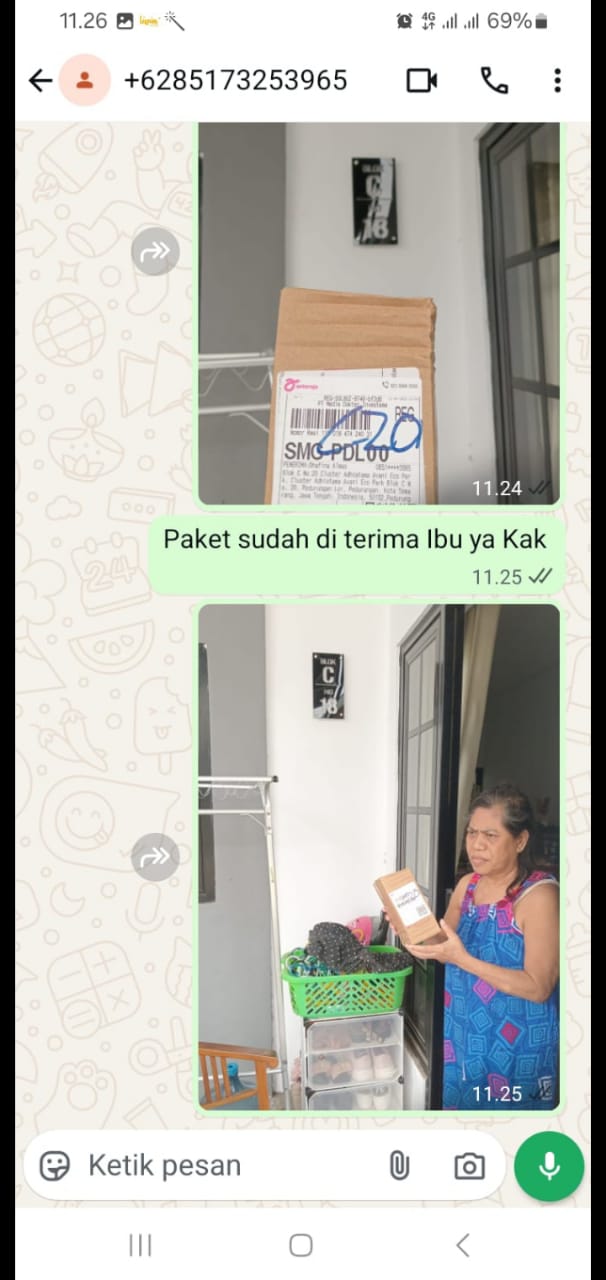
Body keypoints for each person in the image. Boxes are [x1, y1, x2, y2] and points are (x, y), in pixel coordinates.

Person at [407, 783, 559, 1110]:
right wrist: (416, 926)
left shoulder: (539, 896)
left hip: (515, 1045)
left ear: (520, 840)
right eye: (472, 833)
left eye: (490, 835)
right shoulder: (468, 885)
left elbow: (539, 987)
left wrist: (461, 959)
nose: (476, 845)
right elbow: (444, 943)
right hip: (462, 1034)